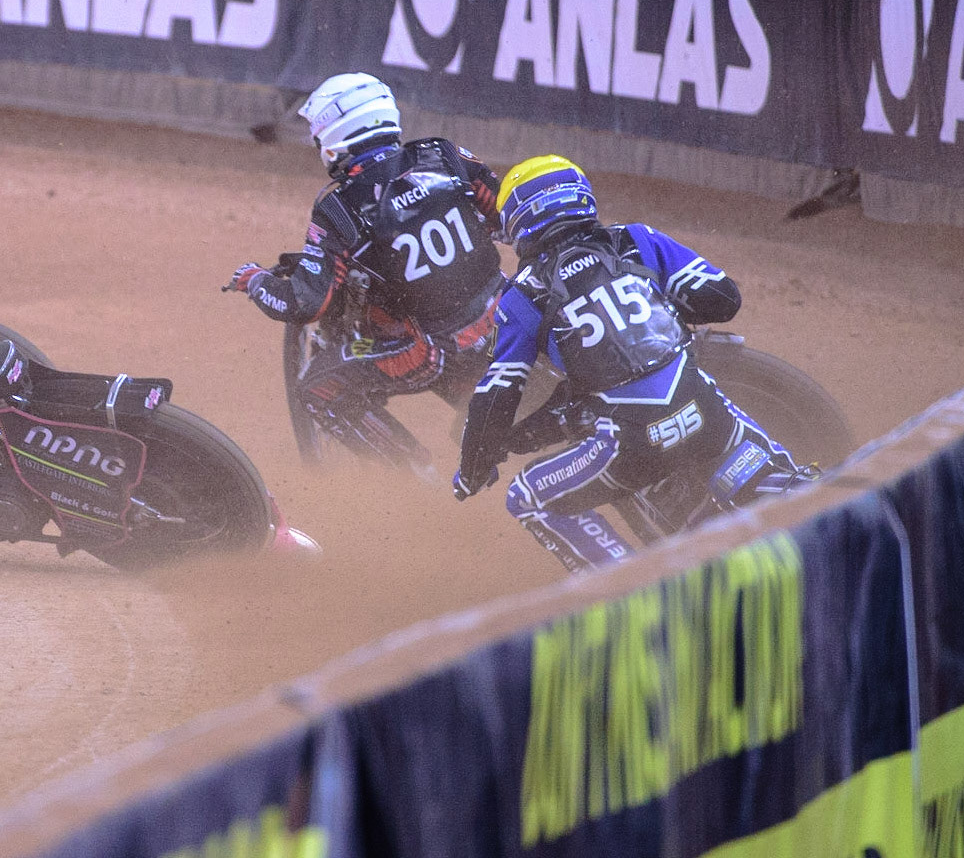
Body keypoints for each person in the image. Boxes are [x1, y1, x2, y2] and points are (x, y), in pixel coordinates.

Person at [452, 155, 815, 573]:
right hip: (700, 409)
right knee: (764, 468)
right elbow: (723, 298)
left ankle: (632, 583)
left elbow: (497, 393)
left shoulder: (521, 296)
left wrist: (471, 471)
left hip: (629, 444)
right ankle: (811, 496)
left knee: (526, 497)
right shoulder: (637, 239)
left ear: (519, 220)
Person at [226, 72, 503, 475]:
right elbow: (511, 217)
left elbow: (305, 302)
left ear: (335, 135)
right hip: (508, 312)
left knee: (318, 388)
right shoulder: (443, 155)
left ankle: (420, 479)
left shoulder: (339, 207)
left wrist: (253, 280)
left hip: (435, 348)